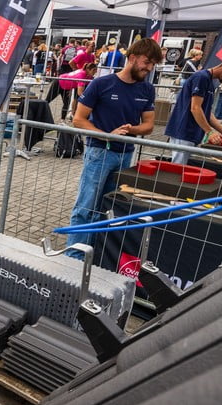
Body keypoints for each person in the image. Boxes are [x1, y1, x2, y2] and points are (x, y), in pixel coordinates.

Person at [64, 38, 160, 256]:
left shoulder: (147, 89)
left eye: (153, 64)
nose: (149, 68)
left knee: (108, 208)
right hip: (99, 153)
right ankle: (74, 256)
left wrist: (132, 129)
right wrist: (107, 135)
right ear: (132, 58)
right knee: (86, 206)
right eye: (147, 62)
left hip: (126, 155)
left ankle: (94, 254)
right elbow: (79, 119)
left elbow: (149, 126)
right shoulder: (101, 84)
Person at [164, 55, 222, 163]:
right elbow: (195, 108)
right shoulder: (201, 78)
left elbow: (207, 112)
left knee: (183, 166)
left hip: (191, 133)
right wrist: (209, 132)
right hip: (184, 131)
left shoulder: (208, 81)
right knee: (178, 167)